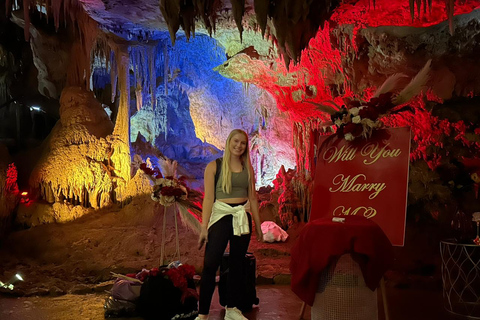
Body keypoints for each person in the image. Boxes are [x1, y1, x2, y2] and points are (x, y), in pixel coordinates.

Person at [195, 129, 263, 320]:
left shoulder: (247, 168)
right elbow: (208, 199)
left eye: (243, 143)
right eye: (236, 141)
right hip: (221, 216)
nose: (238, 145)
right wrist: (203, 227)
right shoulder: (214, 166)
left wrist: (258, 225)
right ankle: (203, 313)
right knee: (210, 264)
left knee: (237, 264)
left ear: (246, 146)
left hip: (241, 216)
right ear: (229, 141)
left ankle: (232, 309)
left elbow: (253, 199)